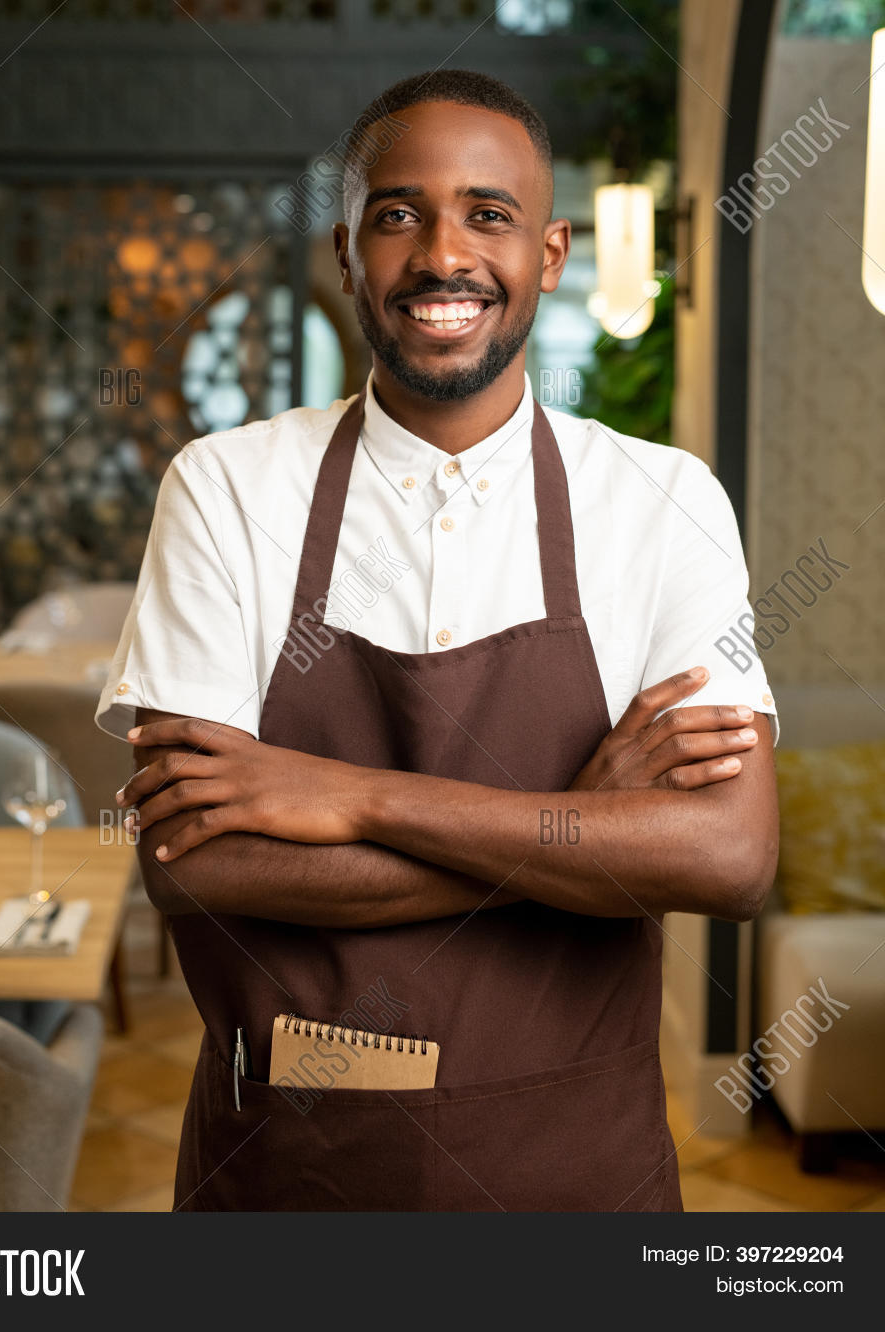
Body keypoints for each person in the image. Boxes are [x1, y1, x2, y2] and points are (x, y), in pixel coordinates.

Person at [97, 68, 779, 1213]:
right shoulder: (225, 488)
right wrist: (582, 828)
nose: (442, 255)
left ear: (551, 254)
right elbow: (191, 862)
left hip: (577, 1177)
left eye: (488, 214)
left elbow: (728, 858)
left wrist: (350, 797)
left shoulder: (663, 499)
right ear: (349, 249)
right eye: (399, 214)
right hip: (293, 1163)